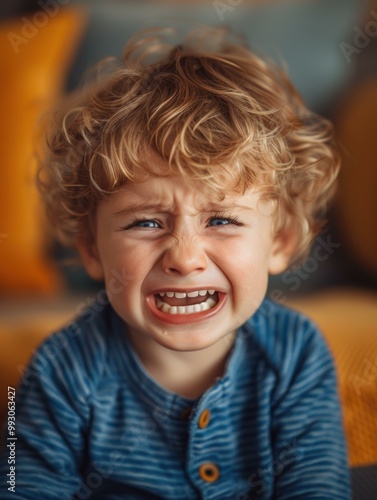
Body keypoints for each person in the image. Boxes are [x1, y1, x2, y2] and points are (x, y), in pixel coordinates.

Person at [0, 26, 350, 499]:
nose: (184, 258)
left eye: (222, 219)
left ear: (281, 241)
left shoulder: (295, 353)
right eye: (145, 223)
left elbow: (317, 487)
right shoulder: (61, 368)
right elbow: (21, 484)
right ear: (90, 248)